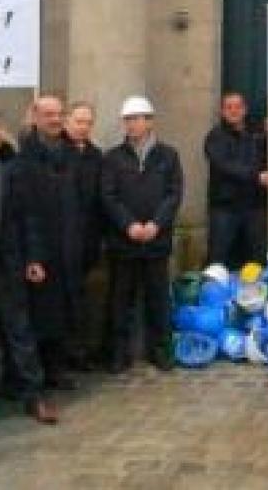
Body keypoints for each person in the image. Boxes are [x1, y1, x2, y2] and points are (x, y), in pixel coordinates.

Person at [0, 108, 58, 426]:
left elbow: (28, 216)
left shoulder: (10, 164)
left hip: (3, 259)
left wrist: (34, 258)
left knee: (18, 328)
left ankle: (34, 395)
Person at [102, 96, 182, 373]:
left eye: (137, 119)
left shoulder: (168, 155)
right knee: (120, 299)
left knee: (158, 299)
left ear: (150, 121)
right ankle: (117, 353)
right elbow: (108, 196)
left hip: (156, 241)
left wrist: (156, 224)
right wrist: (128, 225)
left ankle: (160, 350)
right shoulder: (113, 157)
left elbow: (174, 194)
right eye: (128, 120)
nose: (132, 124)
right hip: (123, 242)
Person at [14, 95, 84, 390]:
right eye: (48, 114)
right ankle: (36, 372)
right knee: (39, 313)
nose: (55, 120)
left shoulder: (72, 154)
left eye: (59, 114)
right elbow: (22, 210)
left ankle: (57, 367)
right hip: (40, 246)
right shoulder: (24, 157)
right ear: (35, 117)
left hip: (69, 244)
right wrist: (32, 255)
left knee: (64, 310)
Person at [204, 92, 268, 267]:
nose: (233, 111)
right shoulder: (215, 137)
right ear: (222, 111)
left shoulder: (256, 134)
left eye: (238, 107)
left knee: (258, 256)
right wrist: (257, 177)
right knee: (218, 257)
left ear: (245, 110)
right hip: (225, 208)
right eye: (229, 107)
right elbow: (225, 166)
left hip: (254, 206)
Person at [64, 102, 105, 368]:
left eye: (88, 123)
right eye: (79, 121)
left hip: (88, 238)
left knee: (81, 298)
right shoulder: (57, 152)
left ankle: (78, 352)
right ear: (67, 121)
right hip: (61, 238)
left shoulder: (95, 155)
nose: (84, 127)